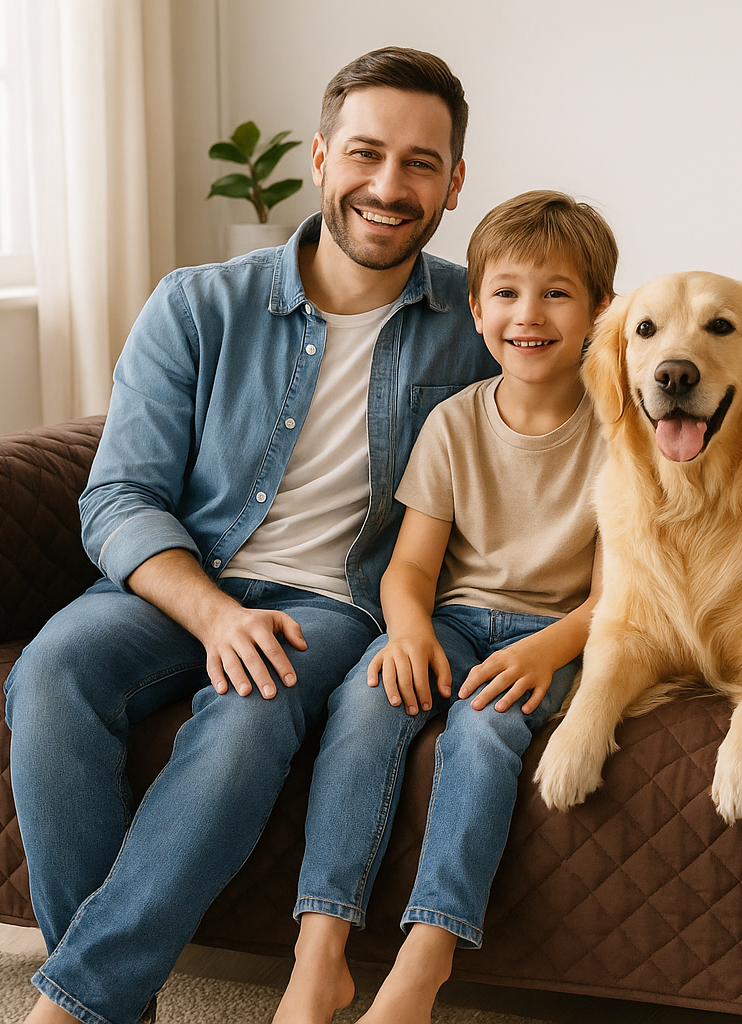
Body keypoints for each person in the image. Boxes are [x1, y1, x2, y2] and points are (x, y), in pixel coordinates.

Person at [4, 47, 501, 1024]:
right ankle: (111, 1000)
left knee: (247, 713)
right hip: (188, 582)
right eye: (366, 153)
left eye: (420, 163)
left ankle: (74, 1009)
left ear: (454, 183)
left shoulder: (482, 317)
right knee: (53, 672)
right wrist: (216, 613)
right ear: (320, 158)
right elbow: (118, 497)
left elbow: (625, 365)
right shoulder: (196, 304)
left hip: (339, 603)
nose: (388, 186)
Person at [272, 190, 618, 1024]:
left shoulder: (621, 431)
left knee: (487, 730)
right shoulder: (453, 422)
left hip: (561, 634)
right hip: (456, 619)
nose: (527, 315)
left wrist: (548, 651)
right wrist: (409, 631)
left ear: (600, 311)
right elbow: (411, 565)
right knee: (364, 704)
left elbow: (620, 595)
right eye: (505, 292)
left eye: (556, 293)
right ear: (475, 306)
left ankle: (424, 961)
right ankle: (319, 955)